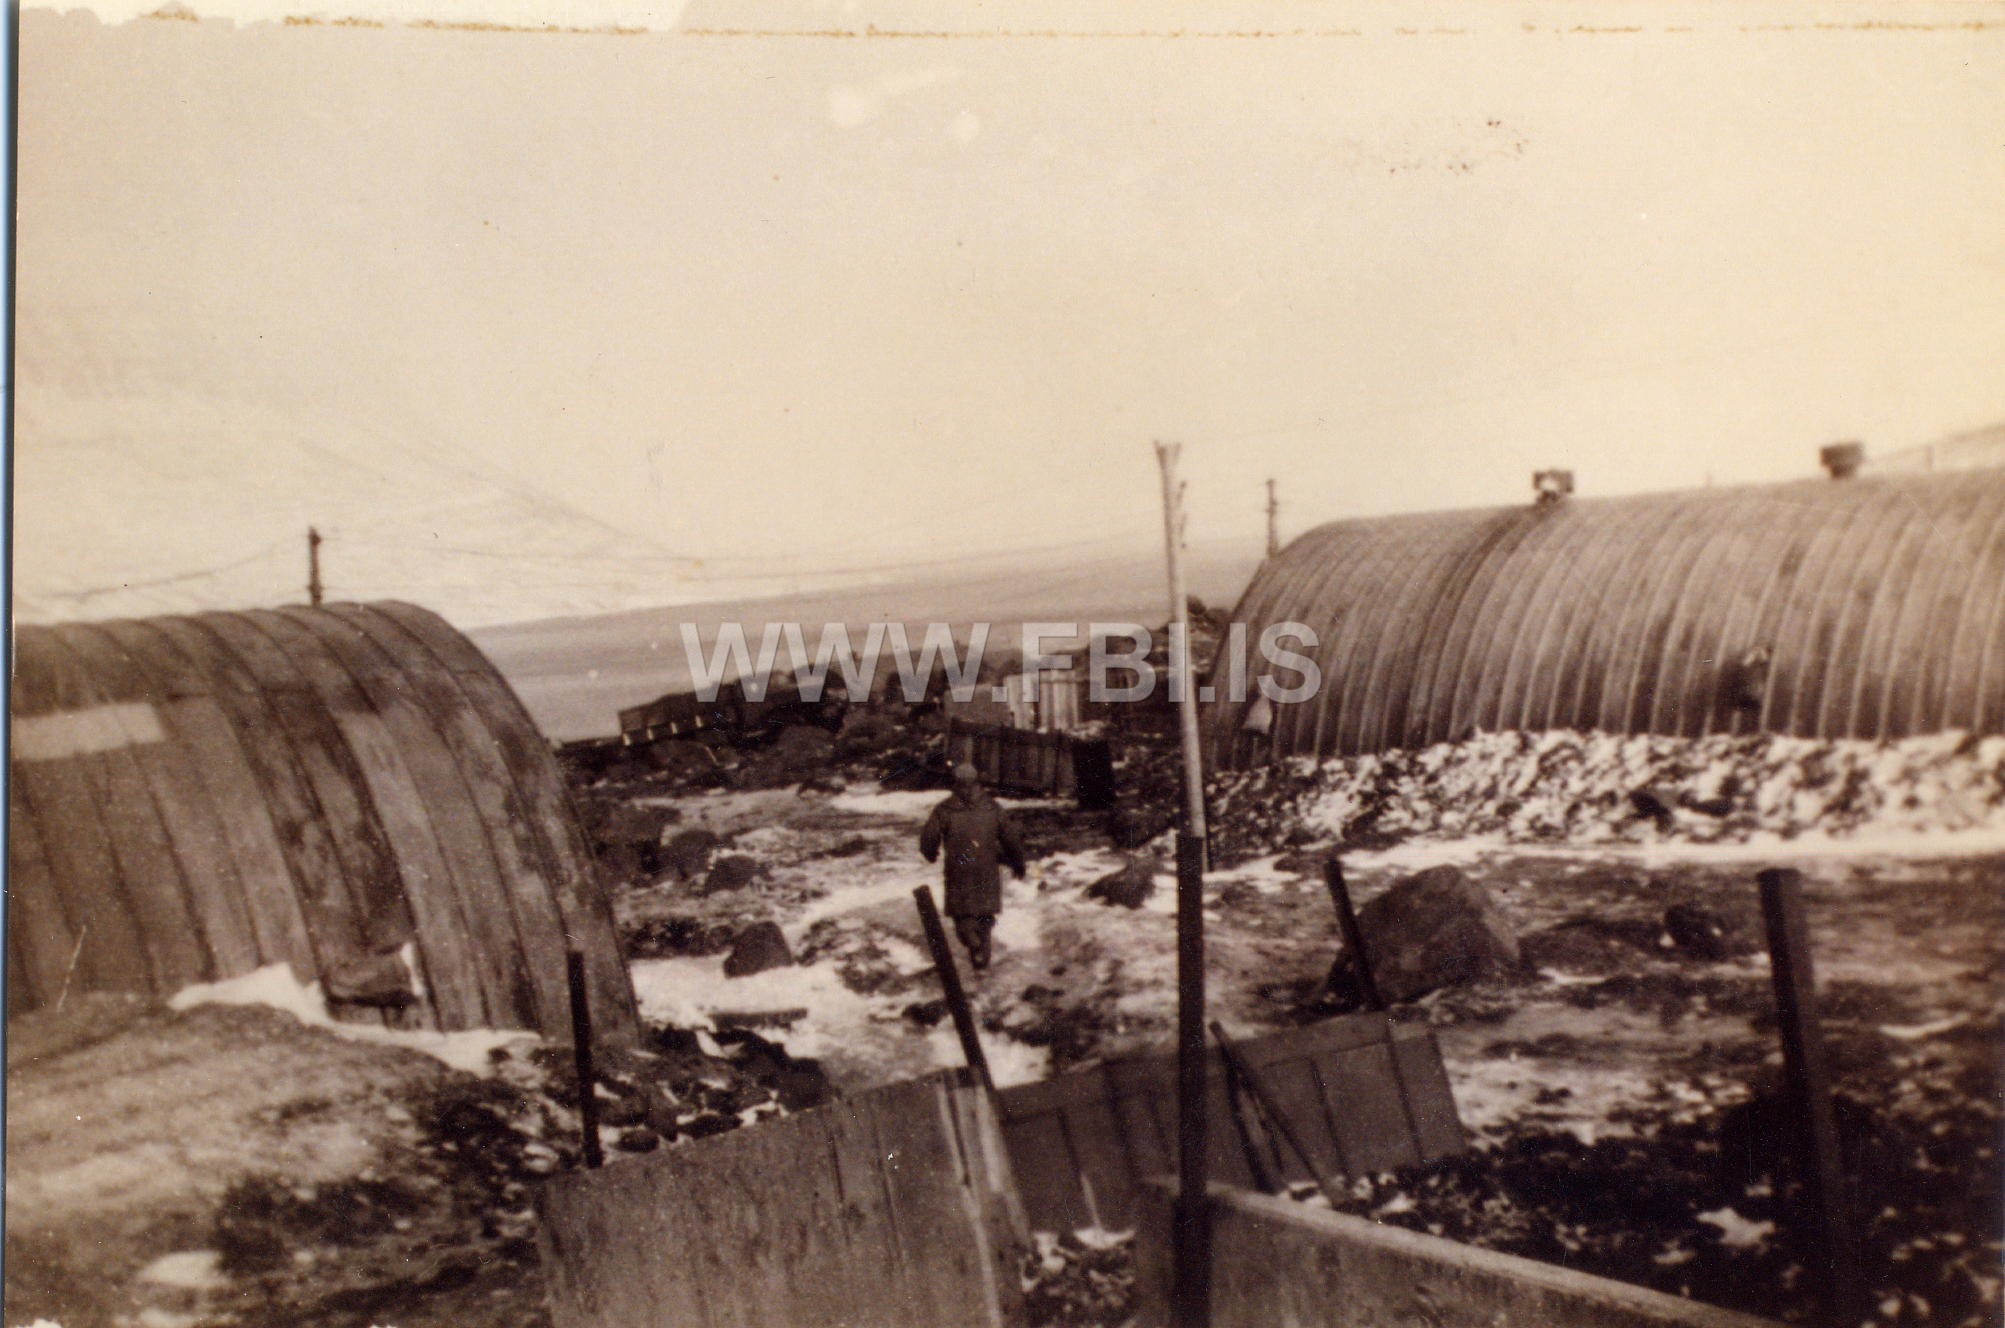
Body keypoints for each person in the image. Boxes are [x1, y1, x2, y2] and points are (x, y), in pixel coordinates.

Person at [919, 763, 1027, 970]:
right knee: (985, 916)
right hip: (987, 869)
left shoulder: (944, 809)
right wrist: (1018, 863)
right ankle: (981, 961)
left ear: (954, 784)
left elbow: (929, 838)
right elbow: (1011, 838)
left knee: (963, 916)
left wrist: (930, 854)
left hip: (959, 869)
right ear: (978, 782)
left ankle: (972, 943)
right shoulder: (993, 807)